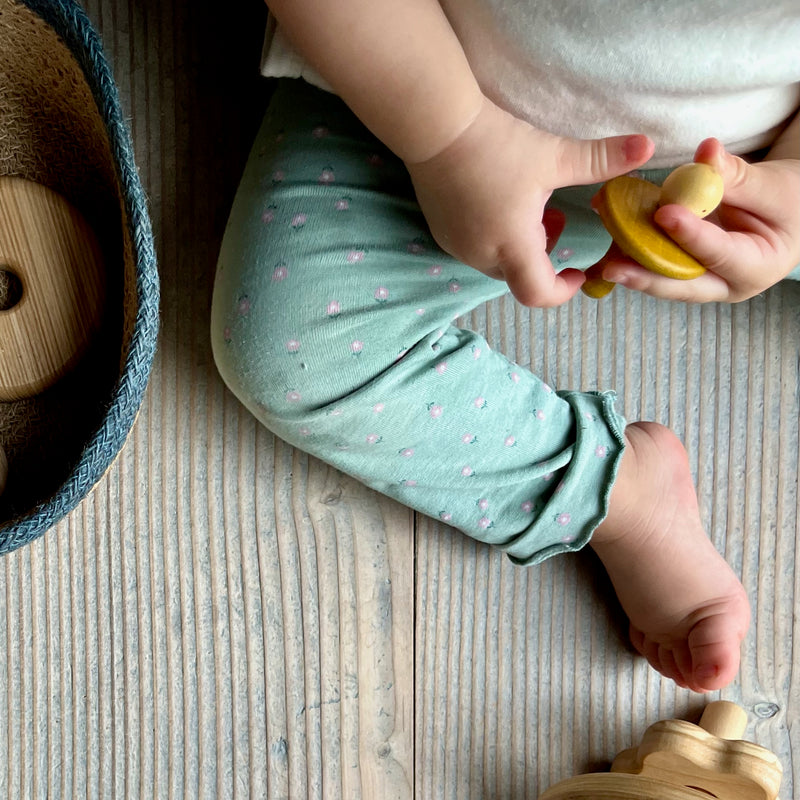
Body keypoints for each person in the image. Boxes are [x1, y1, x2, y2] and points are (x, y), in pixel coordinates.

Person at [211, 1, 800, 693]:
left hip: (744, 175)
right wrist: (453, 139)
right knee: (294, 347)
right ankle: (617, 492)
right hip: (417, 86)